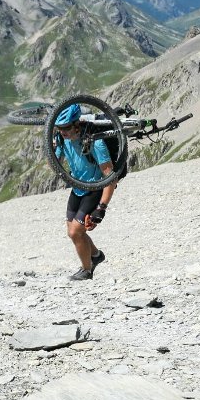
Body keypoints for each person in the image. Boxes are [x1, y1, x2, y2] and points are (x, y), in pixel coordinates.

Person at [53, 104, 117, 281]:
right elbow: (54, 162)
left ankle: (86, 270)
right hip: (77, 188)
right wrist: (52, 147)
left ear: (77, 124)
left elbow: (110, 177)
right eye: (60, 128)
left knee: (75, 232)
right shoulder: (61, 138)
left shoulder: (95, 142)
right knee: (72, 231)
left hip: (94, 189)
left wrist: (102, 208)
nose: (63, 132)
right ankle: (96, 255)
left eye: (66, 128)